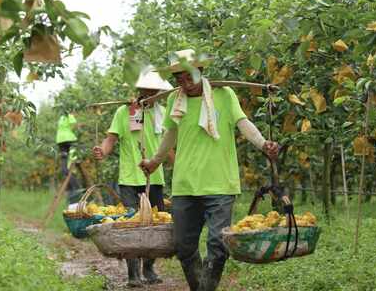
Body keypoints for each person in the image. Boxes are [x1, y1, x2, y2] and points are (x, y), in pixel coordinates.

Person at [140, 49, 279, 291]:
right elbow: (170, 135)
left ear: (201, 71)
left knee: (217, 244)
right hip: (185, 184)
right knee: (184, 246)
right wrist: (154, 161)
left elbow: (242, 123)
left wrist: (263, 144)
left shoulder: (224, 95)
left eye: (189, 77)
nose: (185, 83)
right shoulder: (175, 100)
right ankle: (200, 287)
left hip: (220, 183)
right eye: (179, 79)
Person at [92, 71, 174, 288]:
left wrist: (182, 164)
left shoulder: (163, 114)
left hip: (154, 177)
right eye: (146, 90)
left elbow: (169, 147)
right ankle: (133, 273)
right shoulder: (124, 112)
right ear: (139, 90)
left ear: (158, 93)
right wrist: (102, 151)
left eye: (154, 91)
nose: (149, 94)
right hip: (130, 177)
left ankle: (148, 266)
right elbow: (111, 139)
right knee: (130, 224)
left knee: (155, 224)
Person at [55, 110, 81, 203]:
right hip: (69, 140)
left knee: (64, 164)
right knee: (72, 163)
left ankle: (71, 188)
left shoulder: (61, 118)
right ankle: (76, 188)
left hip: (60, 141)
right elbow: (74, 124)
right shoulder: (69, 115)